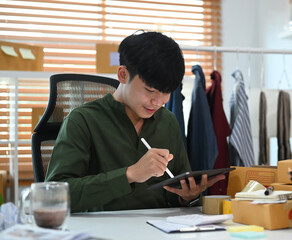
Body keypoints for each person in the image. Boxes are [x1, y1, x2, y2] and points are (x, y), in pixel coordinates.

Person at [45, 30, 225, 213]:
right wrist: (130, 175)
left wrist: (189, 196)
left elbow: (176, 192)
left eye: (167, 92)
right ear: (123, 74)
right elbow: (53, 196)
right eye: (150, 90)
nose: (158, 101)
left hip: (159, 230)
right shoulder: (82, 120)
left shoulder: (168, 122)